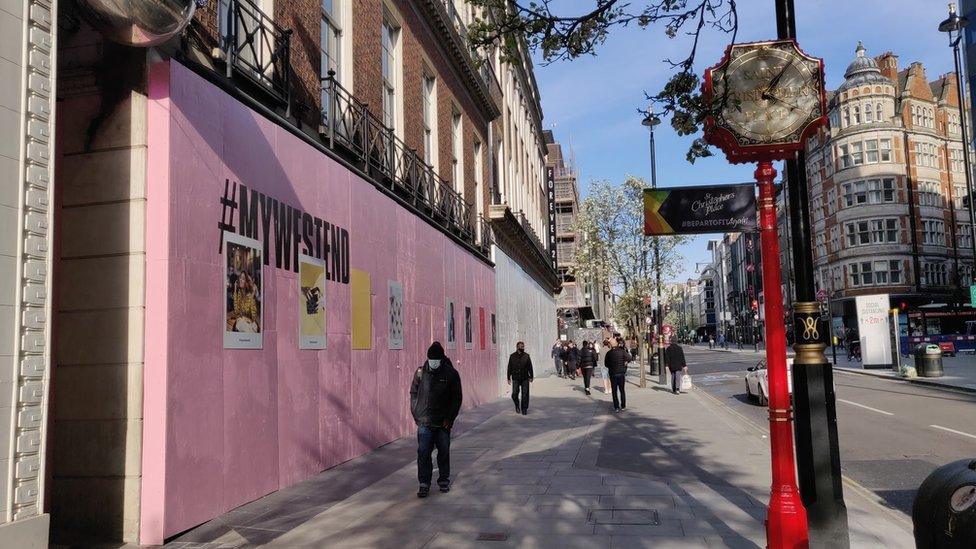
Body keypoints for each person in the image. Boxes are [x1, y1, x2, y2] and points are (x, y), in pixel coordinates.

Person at [410, 342, 463, 498]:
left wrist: (450, 418)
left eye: (436, 359)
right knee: (423, 453)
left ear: (441, 359)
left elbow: (457, 398)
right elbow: (413, 393)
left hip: (442, 423)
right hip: (424, 422)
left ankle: (443, 480)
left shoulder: (451, 374)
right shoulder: (420, 373)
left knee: (443, 452)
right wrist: (416, 413)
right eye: (430, 358)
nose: (433, 361)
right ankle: (424, 483)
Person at [507, 341, 534, 415]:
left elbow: (530, 367)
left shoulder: (526, 356)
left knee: (525, 394)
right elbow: (509, 367)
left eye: (523, 346)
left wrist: (531, 376)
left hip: (525, 377)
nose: (523, 348)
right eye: (521, 347)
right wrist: (508, 377)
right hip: (515, 378)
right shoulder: (512, 356)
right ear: (517, 347)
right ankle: (517, 405)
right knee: (514, 394)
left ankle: (524, 408)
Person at [605, 336, 630, 412]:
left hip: (613, 373)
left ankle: (616, 407)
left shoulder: (609, 353)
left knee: (614, 391)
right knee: (622, 390)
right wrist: (625, 362)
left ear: (610, 345)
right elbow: (629, 358)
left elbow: (606, 364)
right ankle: (623, 406)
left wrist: (611, 366)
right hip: (621, 373)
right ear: (617, 344)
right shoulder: (622, 351)